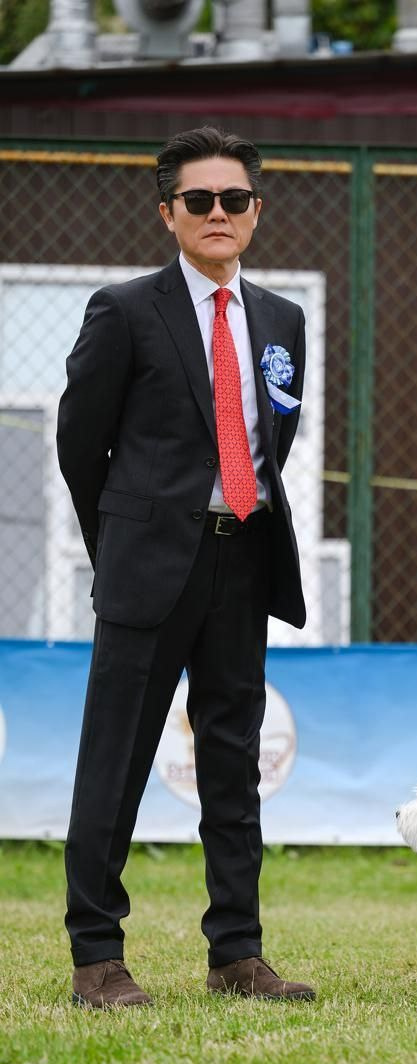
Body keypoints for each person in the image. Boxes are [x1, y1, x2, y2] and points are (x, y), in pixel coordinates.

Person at [57, 126, 315, 1007]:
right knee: (117, 759)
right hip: (147, 569)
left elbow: (274, 437)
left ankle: (236, 954)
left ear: (255, 211)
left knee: (234, 762)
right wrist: (119, 545)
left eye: (233, 199)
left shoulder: (283, 321)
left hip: (243, 560)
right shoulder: (125, 310)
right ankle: (97, 956)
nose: (217, 213)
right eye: (198, 200)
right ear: (167, 213)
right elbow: (79, 445)